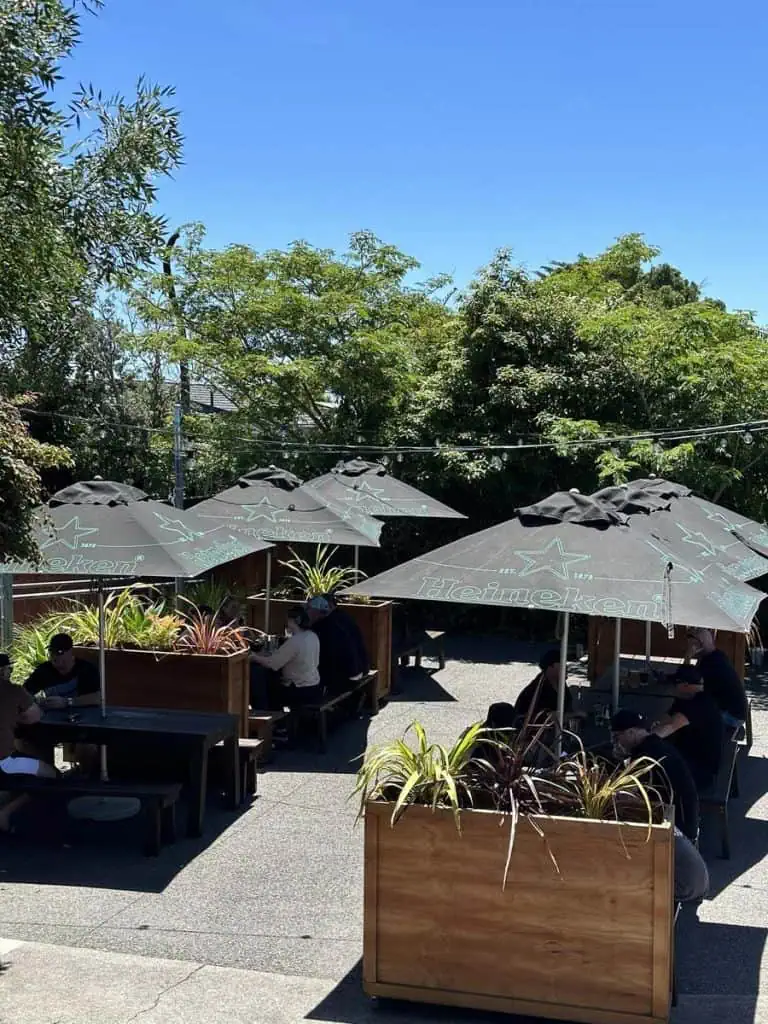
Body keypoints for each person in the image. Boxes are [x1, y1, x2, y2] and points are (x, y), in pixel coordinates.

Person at [611, 708, 708, 903]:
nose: (616, 742)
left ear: (631, 733)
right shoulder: (656, 746)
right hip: (687, 821)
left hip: (676, 827)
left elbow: (630, 798)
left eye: (617, 736)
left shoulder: (645, 758)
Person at [0, 654, 55, 833]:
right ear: (3, 672)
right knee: (51, 775)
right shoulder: (14, 691)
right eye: (10, 669)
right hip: (3, 763)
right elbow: (34, 716)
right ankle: (7, 812)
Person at [653, 664, 723, 790]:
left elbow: (669, 726)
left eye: (675, 684)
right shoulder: (686, 698)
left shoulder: (700, 704)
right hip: (688, 755)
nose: (673, 688)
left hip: (700, 770)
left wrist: (642, 739)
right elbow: (666, 718)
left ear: (684, 685)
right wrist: (654, 727)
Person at [250, 605, 321, 709]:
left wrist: (254, 657)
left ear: (294, 621)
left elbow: (273, 664)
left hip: (299, 689)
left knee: (265, 687)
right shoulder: (312, 636)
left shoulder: (294, 641)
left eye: (288, 619)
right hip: (314, 686)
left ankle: (273, 720)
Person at [686, 627, 747, 728]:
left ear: (699, 644)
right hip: (736, 713)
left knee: (689, 715)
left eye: (690, 640)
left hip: (732, 717)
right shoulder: (716, 655)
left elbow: (689, 682)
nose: (688, 643)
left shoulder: (711, 662)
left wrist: (688, 656)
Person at [23, 634, 100, 709]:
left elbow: (98, 698)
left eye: (59, 652)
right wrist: (37, 701)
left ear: (70, 652)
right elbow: (25, 692)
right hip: (51, 717)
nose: (54, 656)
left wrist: (67, 702)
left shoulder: (86, 669)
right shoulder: (44, 670)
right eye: (51, 652)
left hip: (82, 716)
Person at [306, 596, 360, 695]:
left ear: (316, 612)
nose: (306, 613)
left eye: (308, 609)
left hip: (343, 679)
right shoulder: (334, 622)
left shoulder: (320, 629)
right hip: (353, 671)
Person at [513, 649, 572, 722]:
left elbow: (567, 706)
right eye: (562, 664)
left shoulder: (561, 684)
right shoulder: (537, 689)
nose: (566, 667)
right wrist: (570, 715)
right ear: (550, 667)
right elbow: (544, 716)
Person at [324, 592, 369, 677]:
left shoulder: (332, 622)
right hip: (361, 667)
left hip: (351, 673)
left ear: (328, 605)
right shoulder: (344, 616)